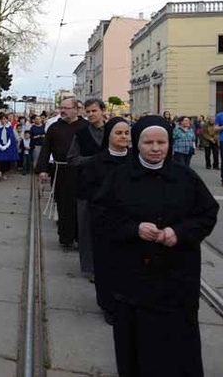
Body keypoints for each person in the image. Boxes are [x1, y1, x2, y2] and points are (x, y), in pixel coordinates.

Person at [93, 116, 218, 377]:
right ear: (137, 144)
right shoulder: (120, 177)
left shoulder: (186, 177)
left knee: (178, 346)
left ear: (169, 144)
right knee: (136, 345)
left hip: (177, 279)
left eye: (161, 142)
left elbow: (207, 213)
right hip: (132, 277)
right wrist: (134, 229)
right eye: (148, 142)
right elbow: (101, 216)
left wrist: (179, 232)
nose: (155, 148)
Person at [82, 117, 131, 325]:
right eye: (118, 133)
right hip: (105, 222)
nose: (123, 137)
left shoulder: (136, 160)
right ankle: (108, 304)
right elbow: (88, 191)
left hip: (131, 224)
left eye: (127, 133)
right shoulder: (97, 162)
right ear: (109, 136)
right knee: (106, 266)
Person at [36, 98, 89, 249]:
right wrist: (43, 169)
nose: (63, 111)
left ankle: (80, 238)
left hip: (81, 172)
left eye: (67, 108)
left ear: (76, 109)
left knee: (80, 205)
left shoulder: (85, 127)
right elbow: (46, 149)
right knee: (63, 205)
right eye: (62, 108)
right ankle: (66, 237)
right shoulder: (54, 127)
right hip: (61, 171)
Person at [68, 98, 107, 276]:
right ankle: (90, 268)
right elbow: (72, 159)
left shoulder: (114, 131)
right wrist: (92, 160)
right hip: (87, 187)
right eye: (88, 111)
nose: (91, 114)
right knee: (86, 229)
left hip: (110, 188)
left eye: (94, 111)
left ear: (103, 111)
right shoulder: (81, 134)